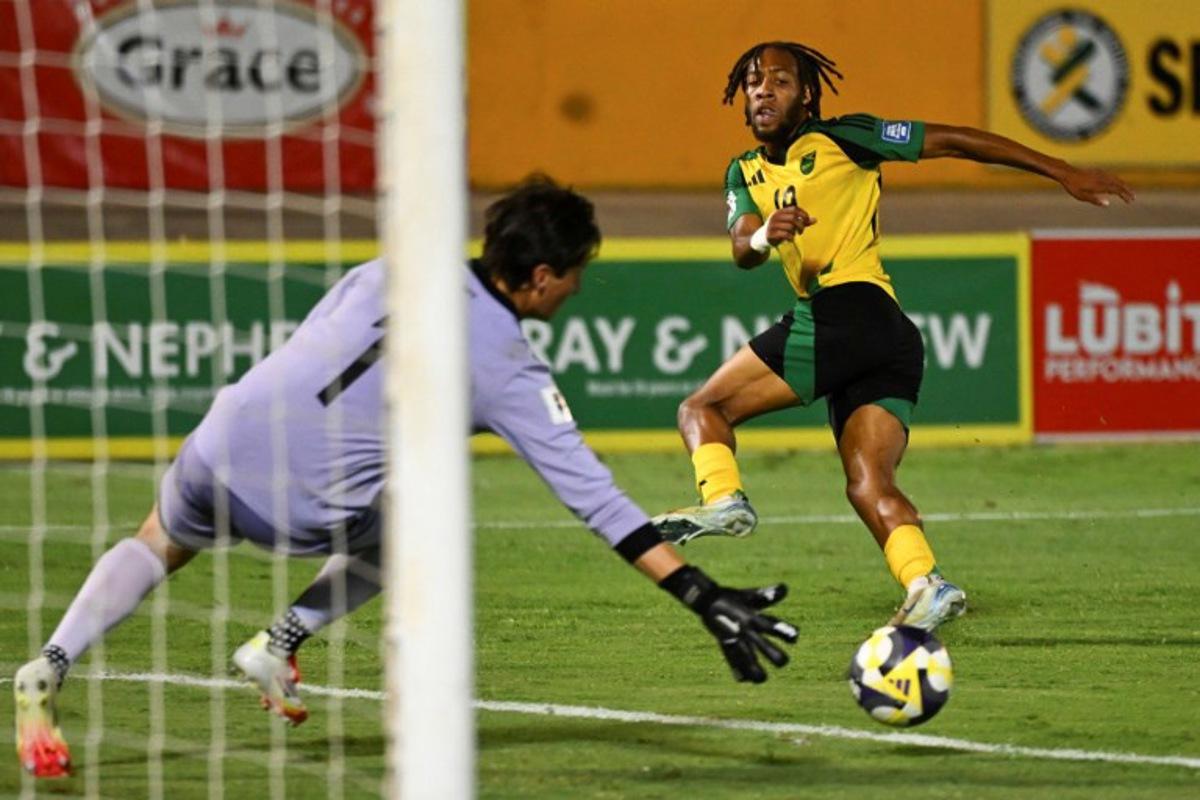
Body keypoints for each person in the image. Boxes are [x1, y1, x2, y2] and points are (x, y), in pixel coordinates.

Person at [12, 177, 798, 779]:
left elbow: (316, 345)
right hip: (299, 507)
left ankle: (49, 661)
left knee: (157, 540)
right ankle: (282, 637)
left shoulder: (392, 268)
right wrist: (701, 593)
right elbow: (595, 497)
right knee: (422, 525)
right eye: (575, 275)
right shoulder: (509, 368)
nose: (578, 289)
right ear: (541, 277)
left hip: (221, 439)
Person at [653, 41, 1134, 631]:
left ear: (806, 94)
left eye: (779, 80)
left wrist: (1062, 172)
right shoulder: (743, 171)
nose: (762, 91)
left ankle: (724, 500)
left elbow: (955, 139)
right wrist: (763, 237)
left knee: (703, 408)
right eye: (752, 82)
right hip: (888, 339)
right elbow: (741, 247)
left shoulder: (847, 138)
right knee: (868, 484)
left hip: (847, 309)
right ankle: (926, 584)